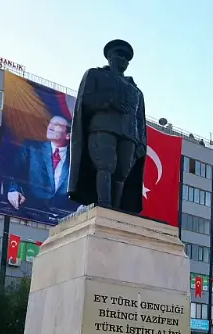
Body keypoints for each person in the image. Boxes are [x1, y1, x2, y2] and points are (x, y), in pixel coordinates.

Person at [68, 39, 147, 212]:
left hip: (129, 134)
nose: (124, 61)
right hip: (103, 127)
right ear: (110, 57)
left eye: (127, 59)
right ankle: (104, 205)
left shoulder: (136, 90)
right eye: (120, 55)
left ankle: (117, 209)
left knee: (122, 172)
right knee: (105, 165)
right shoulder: (95, 75)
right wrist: (109, 101)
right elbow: (85, 101)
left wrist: (142, 143)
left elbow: (141, 120)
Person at [5, 116, 73, 215]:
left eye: (57, 125)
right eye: (50, 123)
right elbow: (15, 173)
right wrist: (13, 190)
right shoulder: (31, 148)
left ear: (68, 135)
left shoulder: (75, 160)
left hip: (64, 218)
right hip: (29, 213)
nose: (50, 127)